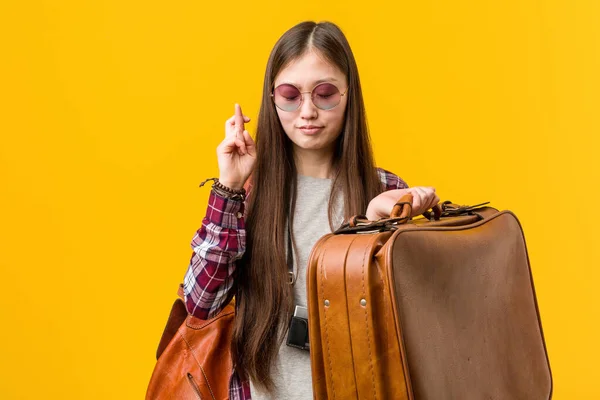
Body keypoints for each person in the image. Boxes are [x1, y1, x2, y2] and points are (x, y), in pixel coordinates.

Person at [183, 20, 439, 400]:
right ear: (271, 98)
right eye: (290, 94)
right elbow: (201, 303)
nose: (307, 111)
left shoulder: (386, 192)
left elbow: (417, 329)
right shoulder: (248, 194)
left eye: (325, 94)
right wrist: (229, 188)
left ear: (349, 95)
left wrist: (375, 226)